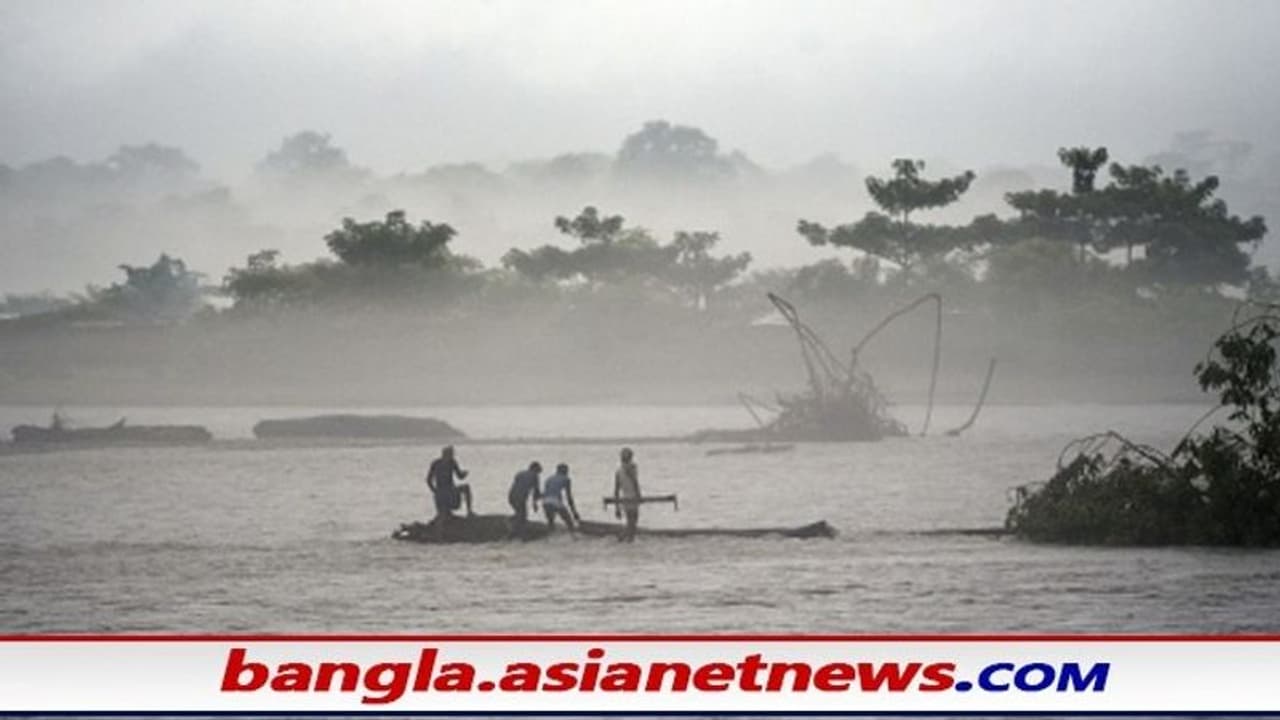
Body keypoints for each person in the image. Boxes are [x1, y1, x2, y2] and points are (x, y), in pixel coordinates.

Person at [426, 445, 473, 518]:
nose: (451, 456)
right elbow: (429, 480)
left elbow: (459, 476)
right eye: (450, 454)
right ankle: (446, 513)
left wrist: (464, 474)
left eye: (452, 454)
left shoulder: (452, 462)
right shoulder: (436, 464)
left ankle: (469, 511)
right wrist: (435, 491)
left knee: (466, 488)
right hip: (442, 490)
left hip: (451, 489)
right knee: (443, 515)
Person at [541, 462, 580, 534]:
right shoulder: (566, 479)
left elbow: (546, 493)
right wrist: (574, 512)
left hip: (545, 502)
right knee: (569, 522)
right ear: (565, 471)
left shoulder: (549, 479)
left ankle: (550, 537)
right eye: (567, 470)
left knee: (551, 523)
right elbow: (569, 497)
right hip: (555, 502)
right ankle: (574, 537)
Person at [613, 447, 641, 542]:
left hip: (625, 499)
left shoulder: (618, 471)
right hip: (632, 498)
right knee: (633, 523)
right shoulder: (631, 468)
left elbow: (616, 490)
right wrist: (639, 495)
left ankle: (625, 539)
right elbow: (635, 482)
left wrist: (617, 507)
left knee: (630, 522)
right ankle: (624, 538)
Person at [507, 461, 542, 533]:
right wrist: (535, 503)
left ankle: (513, 522)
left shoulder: (520, 473)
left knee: (519, 513)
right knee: (523, 515)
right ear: (535, 468)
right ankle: (514, 530)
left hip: (511, 496)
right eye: (539, 469)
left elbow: (518, 485)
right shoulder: (534, 476)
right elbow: (536, 492)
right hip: (520, 498)